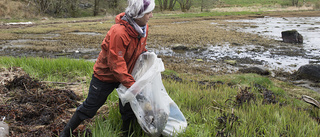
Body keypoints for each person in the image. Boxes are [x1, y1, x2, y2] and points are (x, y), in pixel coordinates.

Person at [59, 0, 155, 136]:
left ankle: (126, 133)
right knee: (89, 108)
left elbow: (138, 49)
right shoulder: (119, 32)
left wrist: (146, 55)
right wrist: (133, 86)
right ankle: (64, 134)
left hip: (125, 76)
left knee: (129, 108)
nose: (151, 15)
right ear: (138, 15)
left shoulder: (143, 29)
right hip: (105, 77)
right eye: (148, 13)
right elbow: (116, 64)